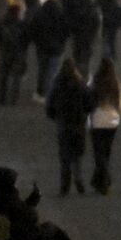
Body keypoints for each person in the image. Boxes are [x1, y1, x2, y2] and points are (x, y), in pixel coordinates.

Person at [46, 58, 93, 196]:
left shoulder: (57, 85)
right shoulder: (80, 84)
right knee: (77, 155)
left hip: (63, 124)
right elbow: (89, 103)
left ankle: (64, 185)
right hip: (78, 124)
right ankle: (78, 178)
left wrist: (55, 116)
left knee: (64, 156)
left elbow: (50, 106)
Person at [88, 58, 121, 195]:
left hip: (97, 121)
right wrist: (119, 115)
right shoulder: (115, 84)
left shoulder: (95, 83)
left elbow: (87, 100)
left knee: (99, 153)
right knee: (106, 151)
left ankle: (102, 181)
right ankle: (102, 181)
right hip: (112, 122)